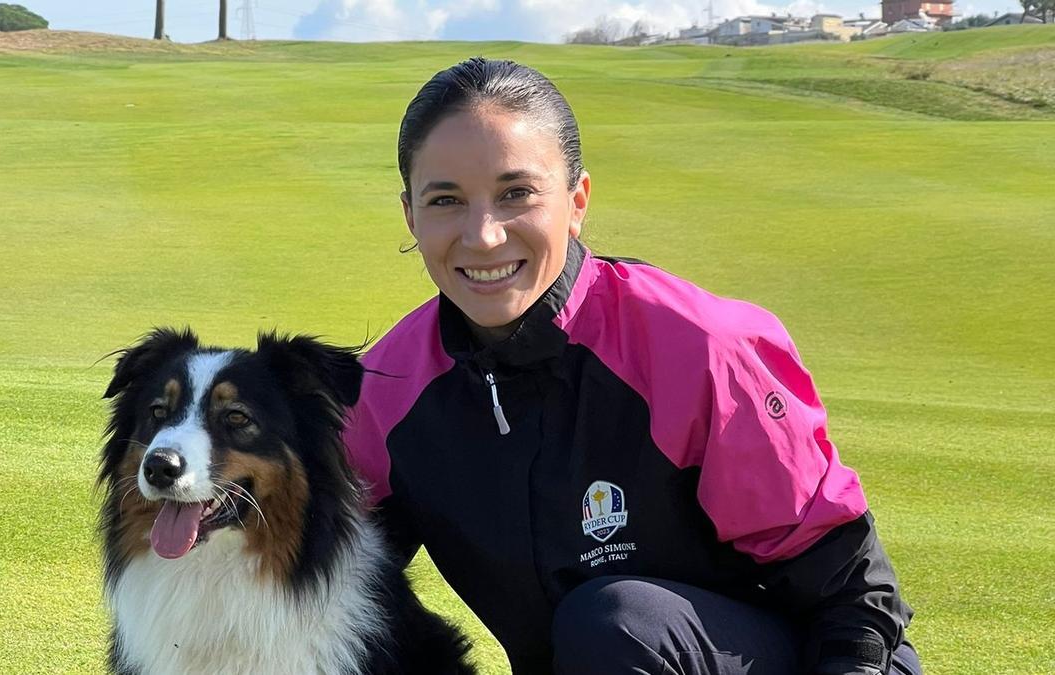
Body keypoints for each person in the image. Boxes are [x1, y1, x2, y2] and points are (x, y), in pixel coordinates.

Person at [342, 57, 921, 675]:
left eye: (516, 194)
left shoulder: (698, 347)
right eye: (446, 200)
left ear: (578, 199)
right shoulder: (386, 389)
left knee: (615, 625)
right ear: (411, 215)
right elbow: (316, 581)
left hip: (815, 659)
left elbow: (852, 597)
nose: (483, 235)